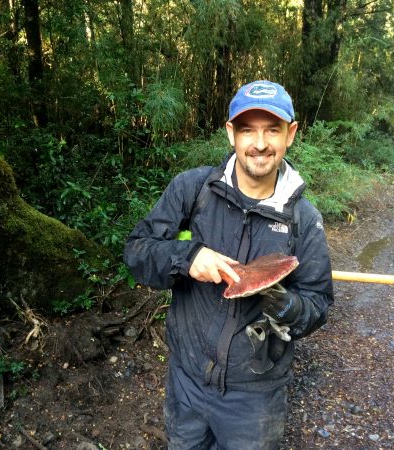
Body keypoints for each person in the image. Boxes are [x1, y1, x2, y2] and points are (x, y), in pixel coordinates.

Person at [124, 80, 334, 449]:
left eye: (272, 130)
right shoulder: (194, 190)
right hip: (186, 381)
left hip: (255, 400)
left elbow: (317, 304)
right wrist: (187, 257)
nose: (260, 143)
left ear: (291, 134)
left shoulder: (303, 219)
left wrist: (286, 305)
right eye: (248, 130)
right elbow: (138, 251)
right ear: (230, 133)